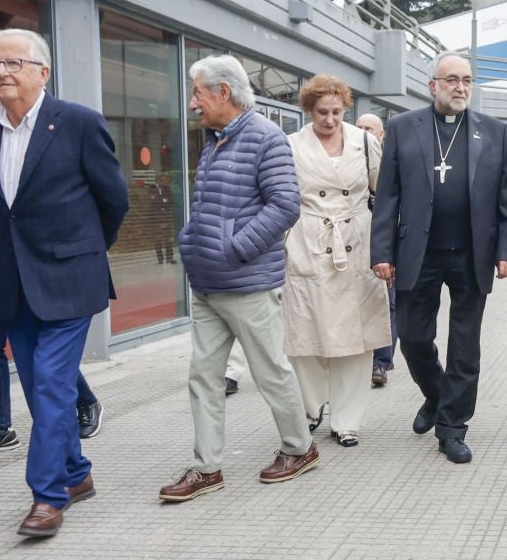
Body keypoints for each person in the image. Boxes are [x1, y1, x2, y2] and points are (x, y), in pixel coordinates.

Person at [0, 28, 129, 539]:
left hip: (69, 277)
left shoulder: (78, 123)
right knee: (41, 391)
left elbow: (114, 200)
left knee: (51, 384)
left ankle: (47, 494)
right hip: (11, 281)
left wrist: (82, 250)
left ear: (43, 70)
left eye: (14, 62)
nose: (1, 72)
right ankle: (77, 475)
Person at [161, 55, 318, 502]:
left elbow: (286, 204)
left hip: (247, 281)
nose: (193, 103)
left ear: (223, 93)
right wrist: (195, 241)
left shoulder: (264, 138)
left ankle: (299, 448)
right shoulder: (215, 139)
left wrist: (236, 248)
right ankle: (206, 467)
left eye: (198, 94)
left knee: (270, 372)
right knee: (203, 377)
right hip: (209, 282)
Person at [370, 51, 507, 465]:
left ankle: (452, 428)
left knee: (464, 346)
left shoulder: (494, 131)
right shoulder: (403, 128)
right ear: (433, 85)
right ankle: (437, 397)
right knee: (414, 338)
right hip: (416, 251)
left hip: (473, 253)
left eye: (467, 80)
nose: (460, 87)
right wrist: (381, 250)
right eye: (452, 79)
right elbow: (388, 195)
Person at [0, 86, 102, 459]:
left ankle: (77, 422)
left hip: (44, 268)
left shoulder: (62, 133)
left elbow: (107, 201)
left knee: (48, 367)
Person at [282, 76, 391, 446]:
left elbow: (386, 193)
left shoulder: (363, 142)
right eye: (321, 112)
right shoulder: (291, 145)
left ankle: (347, 420)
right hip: (308, 239)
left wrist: (386, 246)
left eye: (336, 111)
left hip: (356, 240)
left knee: (356, 338)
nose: (329, 119)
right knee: (303, 332)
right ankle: (311, 406)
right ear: (308, 110)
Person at [356, 111, 396, 388]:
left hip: (385, 241)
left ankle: (381, 362)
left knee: (388, 302)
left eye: (369, 128)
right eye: (358, 127)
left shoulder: (392, 162)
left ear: (381, 135)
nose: (363, 132)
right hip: (353, 243)